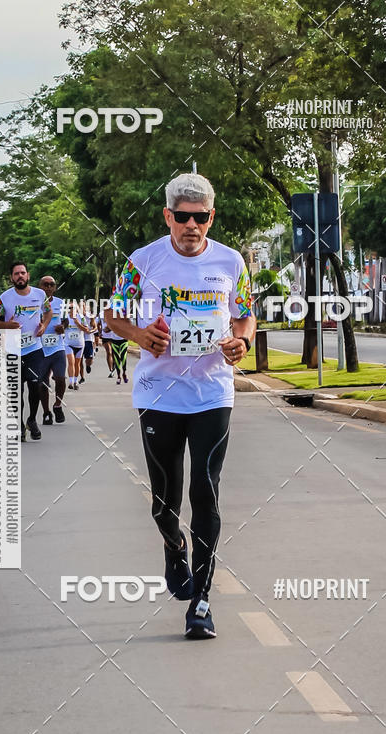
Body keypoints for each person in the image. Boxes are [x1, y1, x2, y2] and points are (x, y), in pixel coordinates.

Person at [105, 172, 255, 639]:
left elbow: (245, 314)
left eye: (202, 217)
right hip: (158, 395)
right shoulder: (142, 261)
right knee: (165, 502)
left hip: (212, 393)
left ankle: (203, 602)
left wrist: (242, 343)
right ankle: (175, 549)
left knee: (206, 492)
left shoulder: (231, 263)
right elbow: (112, 315)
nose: (193, 226)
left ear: (212, 216)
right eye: (184, 217)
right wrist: (140, 335)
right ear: (168, 216)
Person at [0, 262, 52, 441]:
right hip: (12, 350)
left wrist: (44, 326)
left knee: (36, 385)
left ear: (28, 276)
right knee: (16, 392)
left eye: (22, 273)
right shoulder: (4, 298)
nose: (20, 276)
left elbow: (47, 313)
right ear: (12, 277)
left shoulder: (40, 294)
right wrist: (7, 325)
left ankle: (32, 420)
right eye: (16, 273)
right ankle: (18, 426)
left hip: (34, 349)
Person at [38, 275, 67, 424]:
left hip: (57, 347)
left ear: (55, 287)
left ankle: (57, 405)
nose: (49, 287)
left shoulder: (61, 303)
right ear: (40, 287)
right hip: (40, 348)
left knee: (61, 379)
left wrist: (63, 327)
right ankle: (46, 412)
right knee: (42, 382)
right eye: (45, 284)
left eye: (51, 284)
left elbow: (66, 321)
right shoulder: (34, 304)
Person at [64, 304, 89, 390]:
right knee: (71, 362)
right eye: (69, 308)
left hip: (79, 344)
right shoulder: (65, 318)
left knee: (77, 364)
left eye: (73, 308)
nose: (71, 309)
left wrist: (77, 323)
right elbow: (60, 329)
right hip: (68, 344)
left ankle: (75, 381)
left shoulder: (81, 317)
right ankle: (71, 382)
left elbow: (86, 329)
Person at [79, 302, 96, 384]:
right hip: (79, 339)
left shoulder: (90, 315)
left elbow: (95, 327)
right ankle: (82, 377)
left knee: (89, 360)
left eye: (83, 306)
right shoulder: (76, 316)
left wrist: (91, 331)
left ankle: (88, 365)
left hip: (88, 339)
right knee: (79, 360)